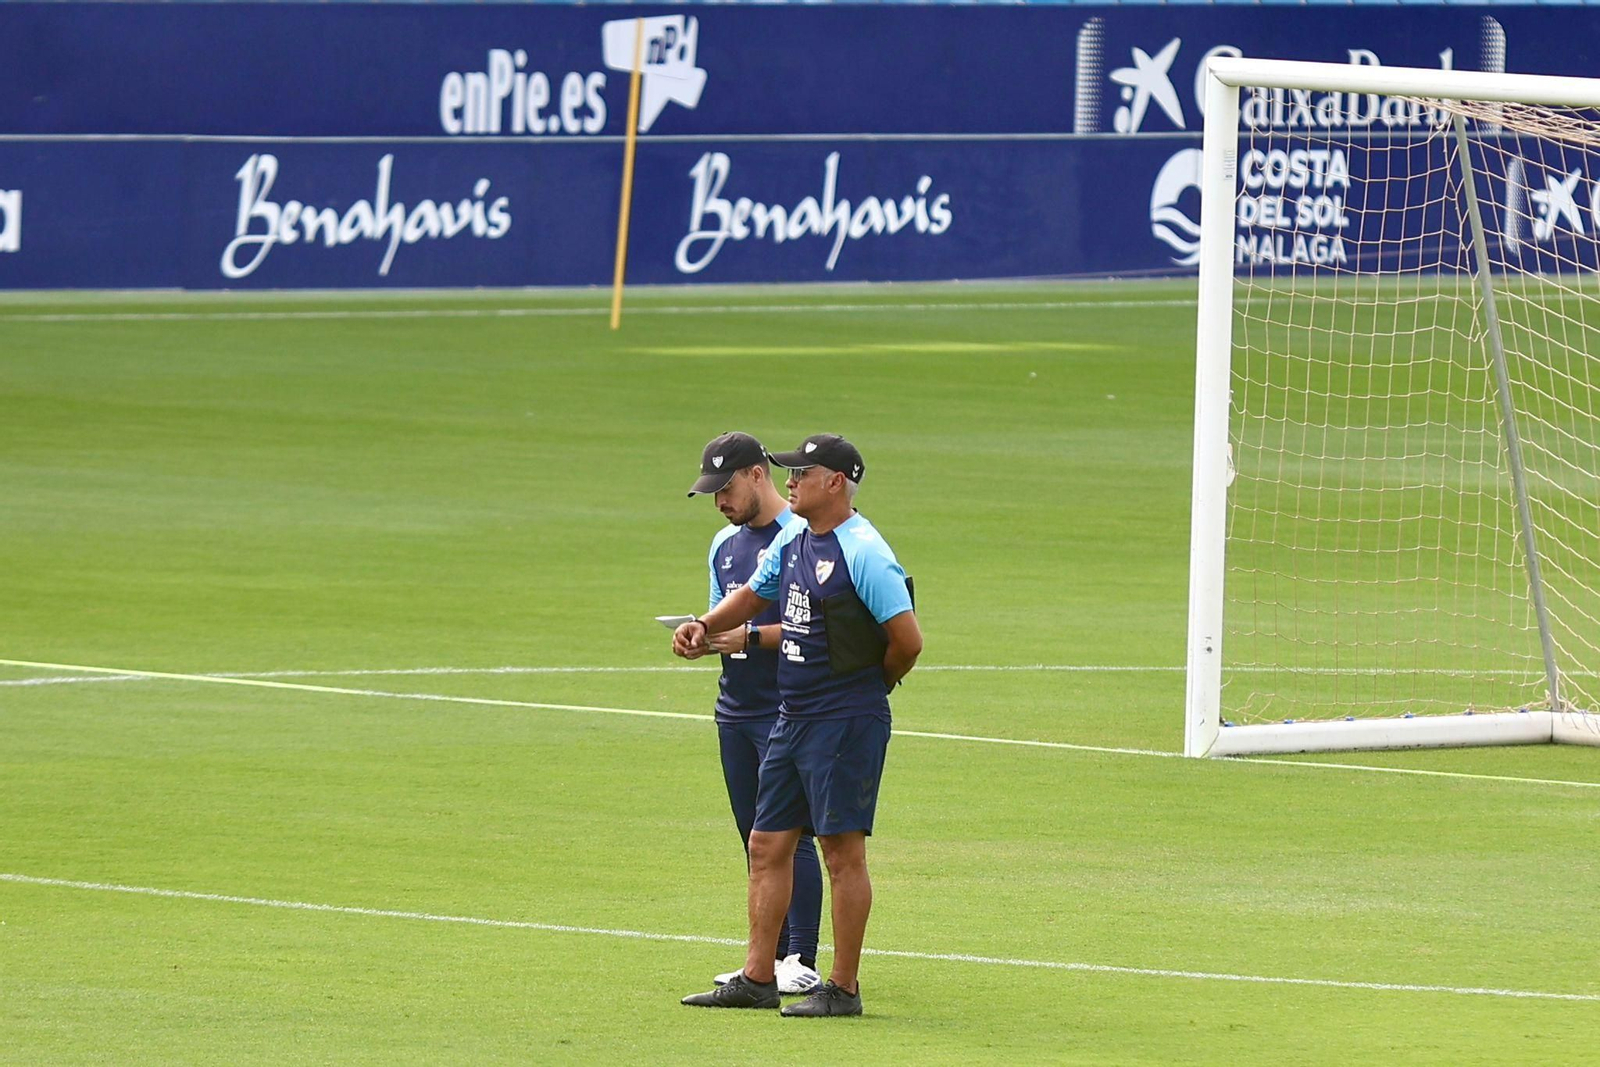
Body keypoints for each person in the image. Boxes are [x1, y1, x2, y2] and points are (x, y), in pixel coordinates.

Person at [676, 433, 922, 1018]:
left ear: (835, 481)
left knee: (841, 852)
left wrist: (869, 687)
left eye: (802, 473)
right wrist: (702, 624)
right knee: (767, 844)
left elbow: (907, 642)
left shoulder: (865, 551)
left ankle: (842, 987)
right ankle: (760, 977)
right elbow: (752, 597)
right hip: (793, 715)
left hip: (843, 719)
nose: (790, 482)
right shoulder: (794, 545)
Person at [685, 431, 824, 997]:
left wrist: (744, 638)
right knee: (755, 836)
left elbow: (811, 625)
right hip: (735, 709)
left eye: (725, 488)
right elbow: (724, 616)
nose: (719, 501)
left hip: (786, 708)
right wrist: (700, 633)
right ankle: (763, 960)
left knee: (792, 837)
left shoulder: (802, 537)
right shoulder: (724, 544)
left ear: (756, 475)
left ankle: (801, 957)